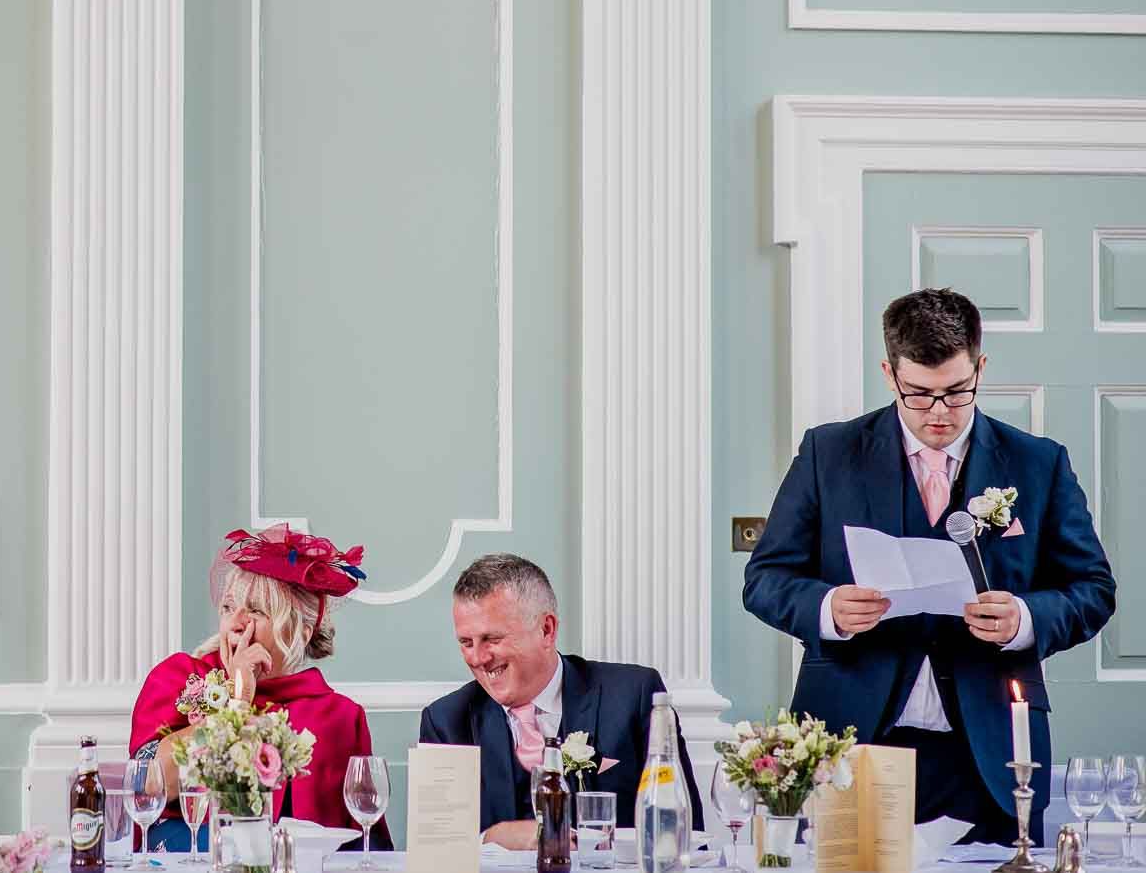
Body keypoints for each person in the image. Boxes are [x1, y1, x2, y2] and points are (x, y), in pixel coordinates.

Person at [744, 288, 1115, 843]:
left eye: (956, 392)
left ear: (979, 368)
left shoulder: (1039, 463)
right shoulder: (828, 453)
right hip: (851, 739)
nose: (939, 412)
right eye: (919, 394)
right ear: (889, 374)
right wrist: (828, 609)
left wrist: (1025, 619)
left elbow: (1092, 589)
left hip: (991, 748)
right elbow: (766, 579)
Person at [129, 525, 390, 851]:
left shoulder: (338, 715)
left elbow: (364, 842)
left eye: (256, 610)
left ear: (302, 631)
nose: (236, 621)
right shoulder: (179, 677)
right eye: (228, 607)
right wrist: (238, 700)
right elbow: (145, 786)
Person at [419, 554, 702, 847]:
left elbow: (685, 831)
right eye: (466, 643)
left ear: (547, 629)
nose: (478, 658)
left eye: (492, 639)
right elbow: (439, 850)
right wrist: (490, 837)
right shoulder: (445, 722)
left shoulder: (634, 695)